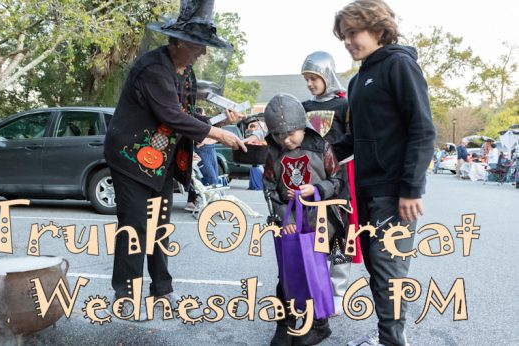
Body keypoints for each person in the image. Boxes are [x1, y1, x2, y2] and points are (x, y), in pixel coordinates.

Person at [103, 0, 245, 315]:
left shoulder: (184, 72)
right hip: (131, 159)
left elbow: (186, 113)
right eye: (199, 45)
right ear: (179, 41)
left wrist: (221, 122)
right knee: (136, 226)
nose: (204, 53)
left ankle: (161, 289)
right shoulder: (153, 68)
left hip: (162, 161)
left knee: (159, 225)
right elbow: (170, 114)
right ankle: (125, 296)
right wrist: (220, 136)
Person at [332, 1, 436, 345]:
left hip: (393, 192)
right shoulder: (358, 80)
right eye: (343, 35)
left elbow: (422, 129)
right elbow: (355, 138)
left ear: (378, 30)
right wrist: (321, 153)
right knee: (378, 271)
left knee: (390, 272)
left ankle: (393, 341)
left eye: (353, 33)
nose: (347, 41)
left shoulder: (399, 65)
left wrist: (411, 189)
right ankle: (387, 337)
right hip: (365, 190)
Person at [263, 93, 345, 346]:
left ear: (303, 126)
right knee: (286, 276)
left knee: (315, 272)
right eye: (278, 135)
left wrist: (317, 189)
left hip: (320, 223)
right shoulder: (274, 153)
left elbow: (339, 181)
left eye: (290, 134)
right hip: (288, 223)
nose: (285, 140)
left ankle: (318, 325)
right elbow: (268, 187)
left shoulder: (322, 147)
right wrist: (280, 214)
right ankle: (285, 325)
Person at [300, 50, 359, 316]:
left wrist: (334, 163)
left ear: (327, 75)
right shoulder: (304, 107)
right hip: (312, 180)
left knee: (340, 234)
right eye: (307, 79)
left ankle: (337, 292)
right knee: (313, 235)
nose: (311, 83)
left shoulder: (345, 105)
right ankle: (317, 288)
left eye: (314, 77)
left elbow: (353, 138)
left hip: (339, 180)